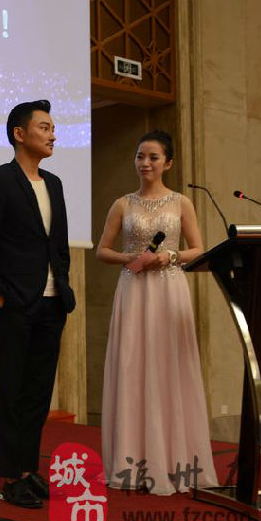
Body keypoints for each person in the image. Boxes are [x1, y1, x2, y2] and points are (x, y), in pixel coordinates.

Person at [95, 130, 218, 495]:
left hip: (169, 289)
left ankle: (176, 461)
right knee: (133, 366)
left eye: (152, 157)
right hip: (133, 290)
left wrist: (171, 256)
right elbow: (102, 250)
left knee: (169, 366)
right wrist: (128, 257)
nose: (145, 163)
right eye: (140, 156)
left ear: (168, 163)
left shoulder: (181, 203)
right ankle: (133, 463)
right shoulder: (122, 204)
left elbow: (199, 249)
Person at [0, 99, 76, 509]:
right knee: (12, 390)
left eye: (53, 128)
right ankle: (11, 476)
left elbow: (59, 244)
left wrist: (62, 282)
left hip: (52, 302)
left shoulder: (55, 184)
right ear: (19, 133)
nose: (53, 135)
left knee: (38, 392)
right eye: (44, 127)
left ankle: (29, 468)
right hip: (14, 304)